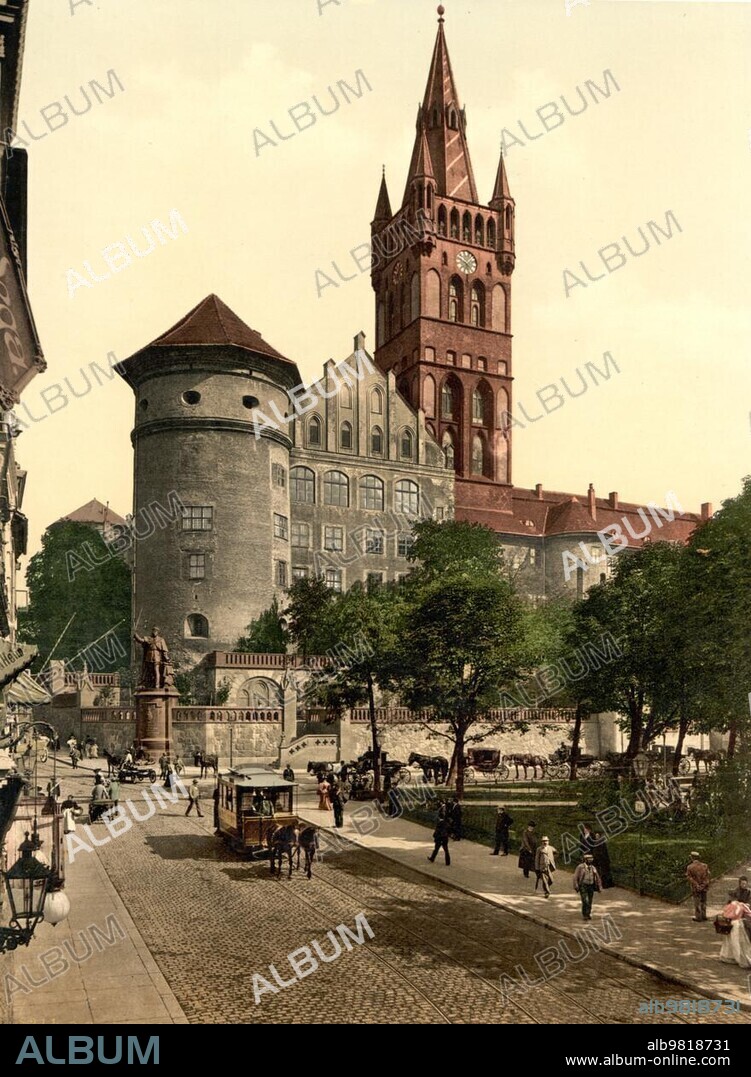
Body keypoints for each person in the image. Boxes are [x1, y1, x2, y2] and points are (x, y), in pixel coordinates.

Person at [718, 893, 751, 968]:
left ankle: (727, 956)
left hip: (728, 924)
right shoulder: (741, 905)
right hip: (737, 924)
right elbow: (749, 914)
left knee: (728, 941)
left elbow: (724, 914)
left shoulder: (729, 905)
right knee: (737, 942)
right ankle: (741, 959)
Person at [573, 853, 602, 920]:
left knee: (590, 901)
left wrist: (599, 886)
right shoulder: (580, 867)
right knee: (585, 900)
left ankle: (588, 913)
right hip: (583, 885)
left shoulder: (593, 868)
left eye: (591, 859)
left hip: (591, 885)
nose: (590, 860)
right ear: (585, 860)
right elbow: (575, 876)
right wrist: (576, 885)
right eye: (589, 859)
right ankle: (585, 914)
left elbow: (597, 877)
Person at [686, 851, 710, 922]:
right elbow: (707, 876)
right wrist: (703, 885)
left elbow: (689, 877)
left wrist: (696, 885)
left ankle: (698, 917)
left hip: (695, 888)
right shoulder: (705, 866)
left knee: (697, 902)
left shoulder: (689, 867)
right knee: (703, 901)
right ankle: (704, 915)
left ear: (692, 858)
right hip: (704, 887)